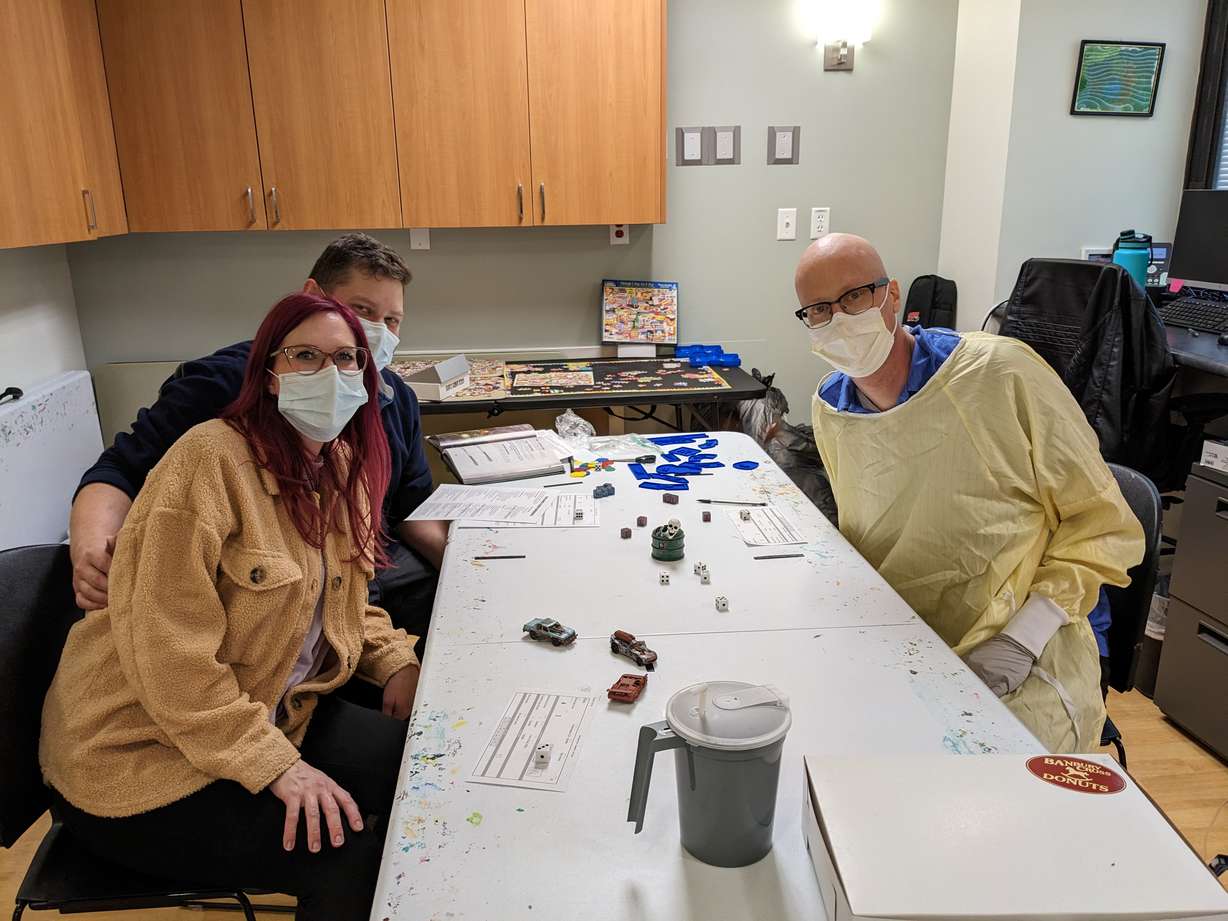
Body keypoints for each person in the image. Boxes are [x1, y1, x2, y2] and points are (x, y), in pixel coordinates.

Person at [41, 293, 420, 921]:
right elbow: (170, 660)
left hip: (268, 710)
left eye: (346, 358)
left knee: (422, 774)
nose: (328, 375)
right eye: (305, 357)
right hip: (144, 755)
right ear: (268, 374)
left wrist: (394, 660)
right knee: (351, 853)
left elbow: (343, 598)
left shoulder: (339, 464)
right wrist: (275, 767)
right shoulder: (206, 462)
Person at [796, 234, 1144, 752]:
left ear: (892, 295)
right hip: (902, 645)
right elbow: (870, 532)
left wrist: (1024, 637)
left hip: (1020, 655)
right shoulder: (832, 408)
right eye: (820, 310)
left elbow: (1104, 523)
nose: (840, 319)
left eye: (854, 297)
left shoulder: (1000, 374)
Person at [69, 233, 445, 650]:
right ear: (311, 296)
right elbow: (121, 469)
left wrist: (459, 560)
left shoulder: (394, 399)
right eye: (361, 310)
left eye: (391, 320)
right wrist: (91, 554)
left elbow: (413, 507)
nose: (375, 331)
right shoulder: (219, 391)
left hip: (364, 567)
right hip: (267, 582)